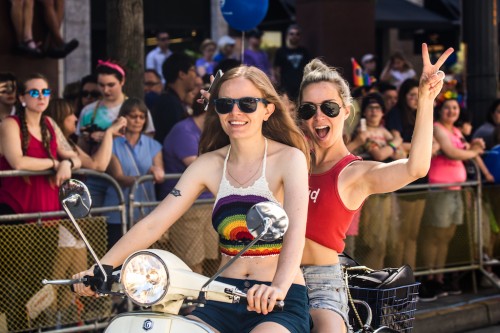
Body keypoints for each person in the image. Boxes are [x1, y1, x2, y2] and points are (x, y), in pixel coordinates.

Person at [73, 65, 311, 333]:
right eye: (225, 104)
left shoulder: (290, 159)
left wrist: (279, 286)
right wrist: (100, 267)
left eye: (247, 103)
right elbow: (154, 223)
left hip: (278, 297)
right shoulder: (207, 164)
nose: (236, 112)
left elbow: (295, 232)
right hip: (221, 295)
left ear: (267, 109)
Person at [298, 44, 453, 332]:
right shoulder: (292, 162)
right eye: (309, 109)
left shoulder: (354, 172)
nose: (319, 117)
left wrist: (426, 99)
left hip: (321, 284)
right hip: (275, 274)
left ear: (345, 111)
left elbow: (415, 168)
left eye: (329, 108)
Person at [417, 98, 485, 301]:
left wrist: (473, 146)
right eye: (447, 107)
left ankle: (439, 277)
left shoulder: (456, 131)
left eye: (455, 108)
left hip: (457, 189)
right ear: (440, 111)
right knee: (434, 235)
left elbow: (465, 149)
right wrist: (473, 151)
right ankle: (428, 278)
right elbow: (452, 153)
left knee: (446, 236)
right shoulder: (438, 129)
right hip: (440, 189)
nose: (451, 111)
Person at [0, 73, 82, 220]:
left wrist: (67, 163)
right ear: (22, 98)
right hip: (16, 210)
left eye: (45, 92)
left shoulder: (50, 123)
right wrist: (54, 163)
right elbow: (18, 162)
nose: (41, 96)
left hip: (49, 209)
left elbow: (76, 158)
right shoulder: (10, 124)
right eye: (34, 92)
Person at [76, 61, 155, 208]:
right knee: (96, 225)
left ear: (122, 81)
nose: (105, 90)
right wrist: (91, 138)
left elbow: (147, 142)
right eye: (101, 85)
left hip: (128, 175)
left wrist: (109, 136)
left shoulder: (138, 108)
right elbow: (80, 146)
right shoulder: (88, 111)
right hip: (96, 177)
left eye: (111, 85)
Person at [157, 93, 218, 275]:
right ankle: (192, 304)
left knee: (213, 261)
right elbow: (200, 169)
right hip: (186, 206)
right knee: (192, 263)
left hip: (210, 204)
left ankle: (208, 302)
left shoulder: (211, 132)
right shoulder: (184, 131)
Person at [348, 93, 405, 269]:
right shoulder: (360, 131)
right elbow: (379, 154)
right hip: (368, 193)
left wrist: (394, 146)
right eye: (370, 108)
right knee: (369, 240)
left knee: (382, 240)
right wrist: (395, 143)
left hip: (385, 192)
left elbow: (401, 155)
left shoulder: (384, 131)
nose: (374, 111)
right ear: (364, 111)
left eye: (378, 108)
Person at [101, 98, 163, 248]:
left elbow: (160, 175)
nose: (138, 120)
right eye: (133, 116)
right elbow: (119, 177)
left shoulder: (153, 145)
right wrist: (145, 177)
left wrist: (157, 171)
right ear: (123, 117)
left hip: (145, 211)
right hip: (118, 211)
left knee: (145, 260)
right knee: (118, 261)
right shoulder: (112, 143)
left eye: (142, 117)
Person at [383, 78, 426, 270]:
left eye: (417, 95)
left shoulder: (422, 114)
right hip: (405, 176)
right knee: (400, 234)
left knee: (414, 234)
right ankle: (397, 280)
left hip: (423, 177)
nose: (415, 99)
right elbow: (397, 142)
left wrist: (422, 148)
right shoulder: (396, 113)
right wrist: (422, 149)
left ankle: (412, 279)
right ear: (403, 96)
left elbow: (432, 143)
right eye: (411, 95)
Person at [46, 98, 126, 172]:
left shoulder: (67, 141)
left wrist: (110, 135)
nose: (76, 118)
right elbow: (98, 166)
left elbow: (94, 161)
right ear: (60, 118)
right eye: (71, 114)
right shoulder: (58, 142)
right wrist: (109, 132)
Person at [151, 53, 197, 143]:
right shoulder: (169, 104)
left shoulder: (171, 100)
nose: (195, 75)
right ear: (182, 74)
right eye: (193, 70)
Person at [273, 24, 311, 100]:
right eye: (292, 34)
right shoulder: (281, 51)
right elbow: (276, 70)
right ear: (287, 35)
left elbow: (309, 69)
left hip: (301, 88)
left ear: (300, 36)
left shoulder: (304, 52)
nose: (294, 36)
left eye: (297, 34)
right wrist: (279, 86)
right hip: (286, 89)